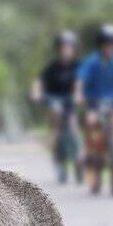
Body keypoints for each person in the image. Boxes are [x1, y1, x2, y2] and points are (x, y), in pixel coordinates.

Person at [74, 23, 113, 196]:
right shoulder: (91, 62)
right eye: (108, 44)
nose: (111, 48)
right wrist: (79, 94)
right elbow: (80, 79)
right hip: (94, 102)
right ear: (101, 45)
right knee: (91, 123)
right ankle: (89, 153)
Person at [31, 30, 83, 184]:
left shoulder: (79, 65)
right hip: (53, 99)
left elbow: (86, 79)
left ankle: (78, 158)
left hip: (71, 100)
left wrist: (83, 94)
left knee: (73, 124)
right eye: (63, 47)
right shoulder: (51, 67)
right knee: (56, 122)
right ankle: (58, 161)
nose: (67, 50)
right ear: (59, 49)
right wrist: (36, 93)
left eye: (69, 47)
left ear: (73, 49)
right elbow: (38, 81)